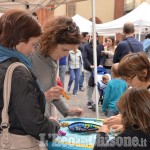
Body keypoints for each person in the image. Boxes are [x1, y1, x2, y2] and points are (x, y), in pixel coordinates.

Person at [0, 9, 59, 144]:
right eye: (33, 44)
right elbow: (36, 126)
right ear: (19, 40)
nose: (32, 50)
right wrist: (54, 125)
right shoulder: (18, 72)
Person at [30, 16, 84, 118]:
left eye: (69, 51)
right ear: (51, 42)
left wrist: (67, 111)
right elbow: (17, 98)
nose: (67, 55)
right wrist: (43, 97)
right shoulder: (30, 55)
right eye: (65, 50)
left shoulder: (53, 58)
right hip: (31, 122)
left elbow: (53, 94)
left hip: (46, 119)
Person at [104, 52, 150, 133]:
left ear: (143, 72)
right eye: (125, 79)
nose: (128, 83)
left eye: (129, 79)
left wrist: (125, 122)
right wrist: (124, 123)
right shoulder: (136, 90)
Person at [83, 33, 104, 109]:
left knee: (100, 85)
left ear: (97, 38)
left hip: (98, 70)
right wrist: (90, 65)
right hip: (89, 69)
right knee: (90, 85)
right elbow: (84, 57)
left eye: (93, 37)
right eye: (91, 37)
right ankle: (89, 100)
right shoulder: (86, 46)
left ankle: (101, 99)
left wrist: (101, 64)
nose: (92, 38)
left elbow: (103, 57)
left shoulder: (101, 46)